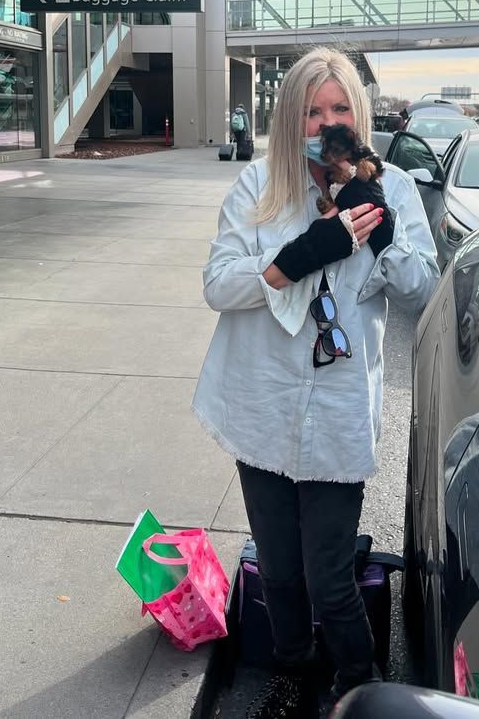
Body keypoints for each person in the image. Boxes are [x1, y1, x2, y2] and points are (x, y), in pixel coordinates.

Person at [193, 47, 439, 718]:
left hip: (335, 413)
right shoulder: (258, 187)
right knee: (279, 571)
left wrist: (381, 228)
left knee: (330, 577)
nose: (325, 122)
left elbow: (422, 291)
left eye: (338, 109)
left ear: (356, 115)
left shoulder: (396, 188)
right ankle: (294, 671)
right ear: (292, 117)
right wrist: (300, 255)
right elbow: (218, 283)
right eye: (311, 110)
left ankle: (357, 678)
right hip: (263, 404)